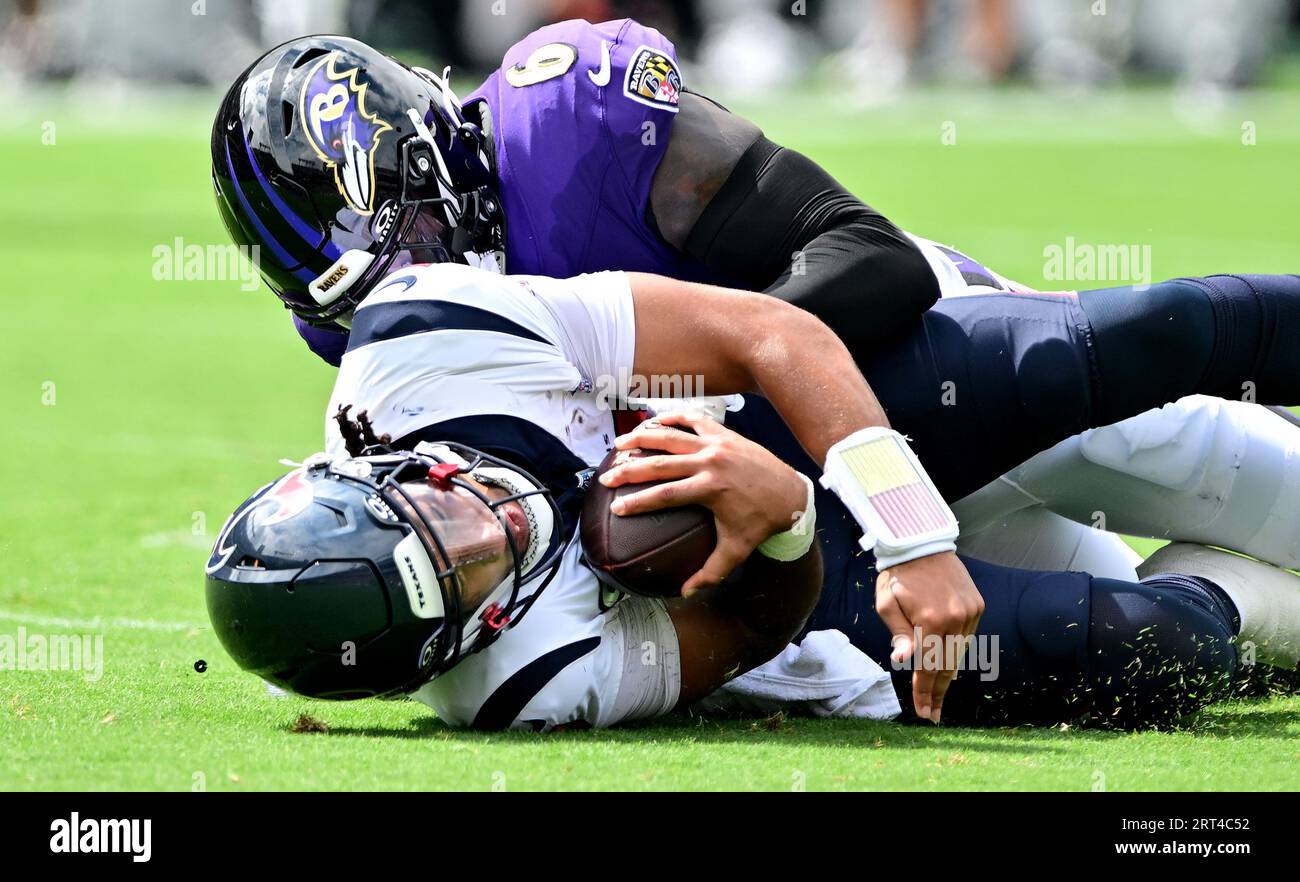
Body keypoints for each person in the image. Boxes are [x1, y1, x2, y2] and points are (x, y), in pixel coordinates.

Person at [206, 262, 1300, 730]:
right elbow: (739, 628)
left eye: (437, 512)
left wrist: (911, 531)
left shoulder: (423, 347)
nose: (487, 525)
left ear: (376, 463)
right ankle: (1251, 606)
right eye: (470, 570)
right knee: (1146, 650)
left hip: (794, 405)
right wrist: (779, 521)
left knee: (1154, 335)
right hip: (796, 598)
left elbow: (767, 333)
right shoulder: (516, 685)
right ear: (448, 649)